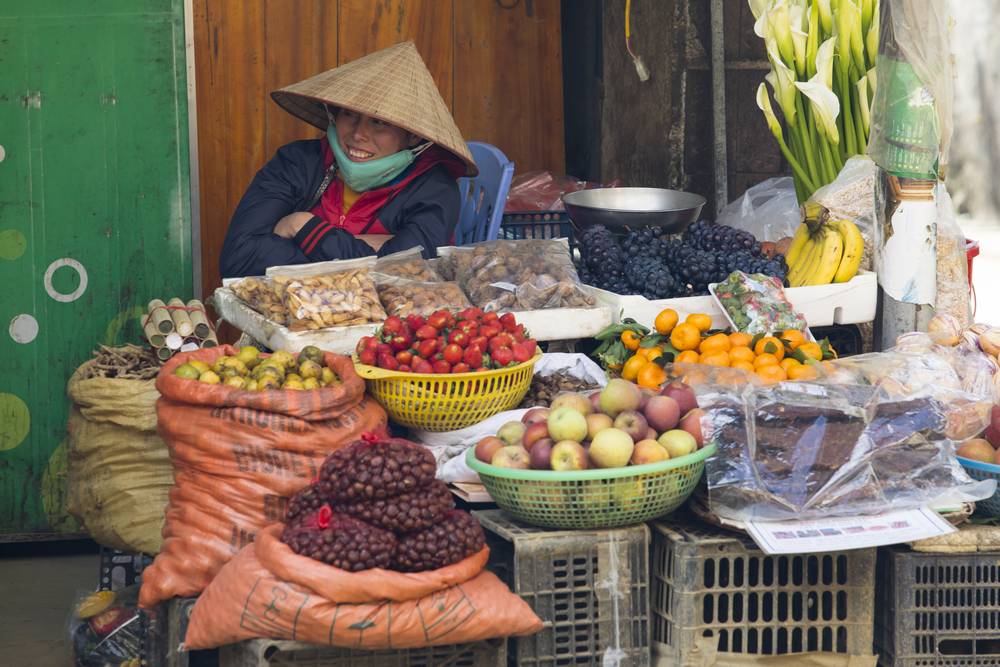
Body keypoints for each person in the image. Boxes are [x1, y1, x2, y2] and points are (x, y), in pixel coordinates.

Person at [219, 41, 477, 279]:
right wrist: (373, 249)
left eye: (378, 122)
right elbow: (239, 257)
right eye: (349, 115)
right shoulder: (297, 162)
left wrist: (303, 226)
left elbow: (402, 276)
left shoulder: (433, 188)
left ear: (412, 137)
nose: (357, 134)